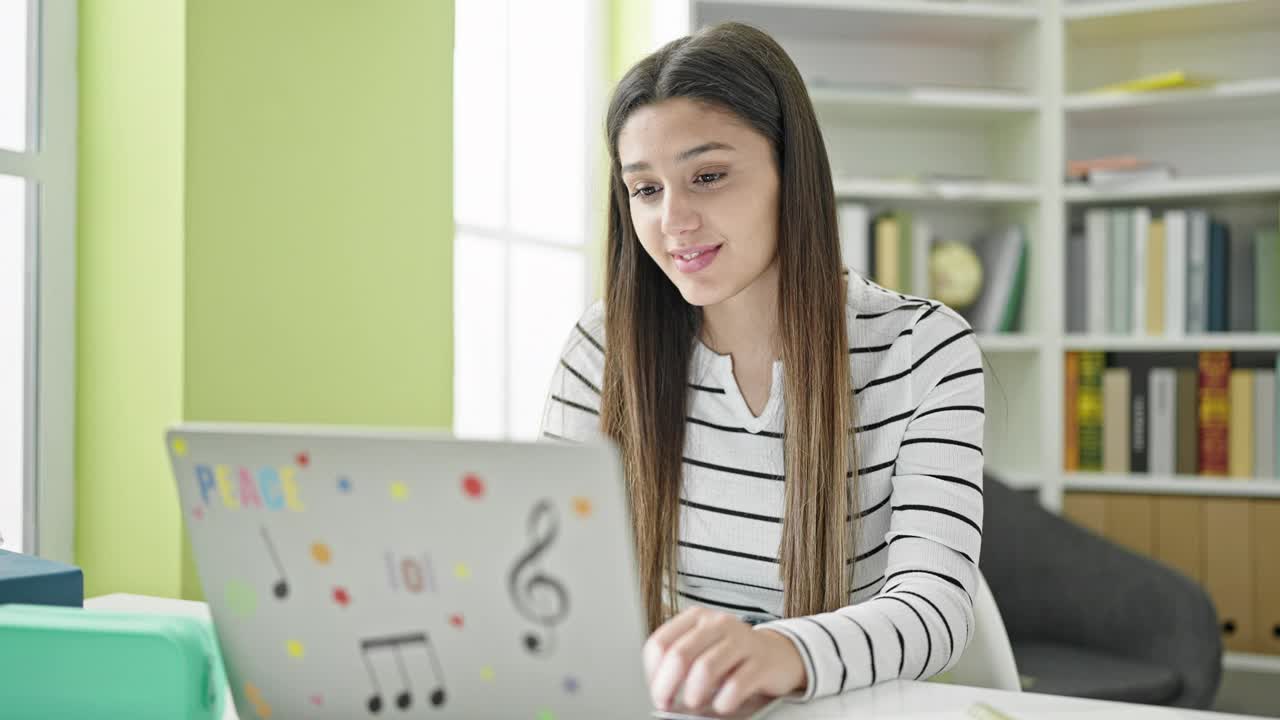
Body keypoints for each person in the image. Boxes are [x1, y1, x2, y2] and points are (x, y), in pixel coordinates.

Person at [540, 21, 985, 716]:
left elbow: (934, 612)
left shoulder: (922, 350)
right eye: (646, 190)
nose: (673, 220)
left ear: (790, 171)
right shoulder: (601, 349)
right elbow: (556, 584)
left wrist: (778, 653)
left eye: (708, 177)